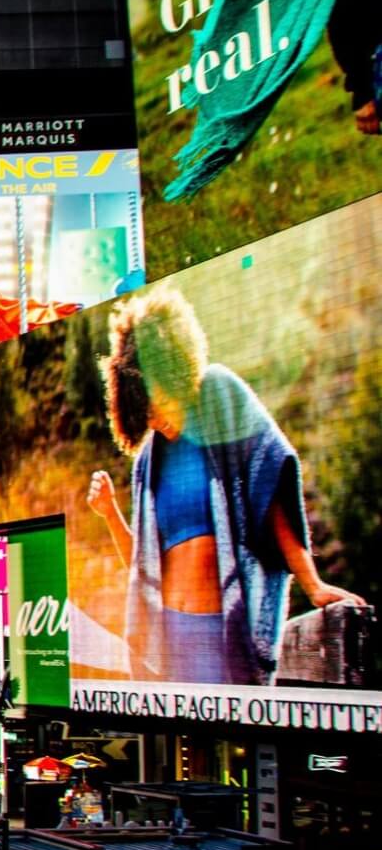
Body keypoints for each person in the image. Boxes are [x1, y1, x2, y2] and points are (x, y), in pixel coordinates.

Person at [86, 287, 366, 685]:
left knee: (230, 745)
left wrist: (313, 584)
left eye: (155, 401)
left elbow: (270, 484)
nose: (154, 419)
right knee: (180, 747)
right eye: (141, 413)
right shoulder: (149, 461)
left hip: (221, 631)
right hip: (168, 641)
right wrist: (110, 514)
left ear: (173, 370)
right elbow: (143, 567)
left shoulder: (219, 397)